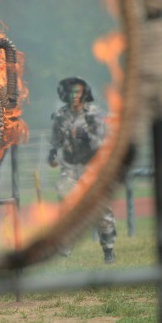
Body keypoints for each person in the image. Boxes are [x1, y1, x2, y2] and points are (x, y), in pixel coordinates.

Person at [48, 76, 117, 264]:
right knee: (66, 198)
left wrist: (87, 137)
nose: (74, 95)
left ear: (84, 93)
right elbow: (56, 140)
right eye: (71, 92)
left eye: (78, 92)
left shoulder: (94, 114)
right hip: (70, 166)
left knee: (101, 209)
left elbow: (104, 143)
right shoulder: (61, 115)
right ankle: (66, 243)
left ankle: (108, 248)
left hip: (92, 167)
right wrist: (53, 153)